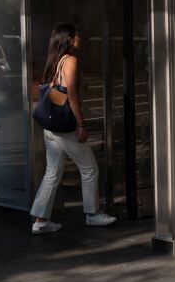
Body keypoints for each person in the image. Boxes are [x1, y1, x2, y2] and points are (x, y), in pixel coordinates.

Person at [29, 24, 115, 233]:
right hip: (64, 128)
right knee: (89, 168)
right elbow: (72, 95)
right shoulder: (71, 61)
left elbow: (47, 91)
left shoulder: (54, 61)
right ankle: (93, 214)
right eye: (77, 35)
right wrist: (81, 124)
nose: (80, 37)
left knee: (52, 173)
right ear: (69, 39)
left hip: (51, 127)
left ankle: (40, 221)